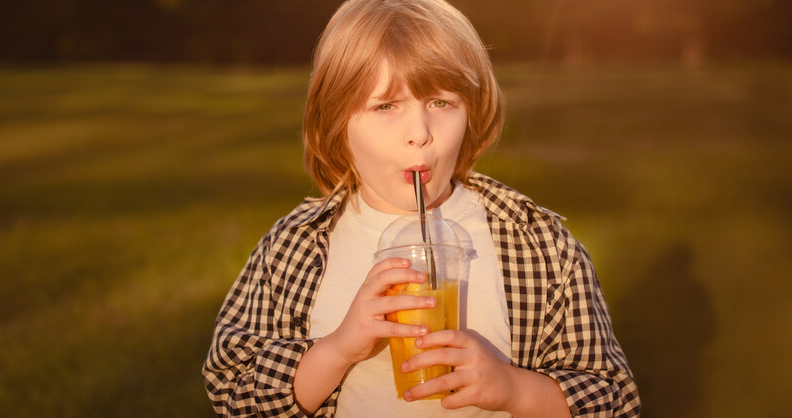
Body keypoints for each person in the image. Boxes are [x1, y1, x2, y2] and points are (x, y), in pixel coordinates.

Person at [202, 0, 640, 416]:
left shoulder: (539, 245)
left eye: (441, 103)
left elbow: (613, 399)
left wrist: (513, 388)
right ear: (337, 124)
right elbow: (231, 390)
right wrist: (336, 350)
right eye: (386, 106)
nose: (419, 133)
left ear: (472, 112)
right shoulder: (292, 249)